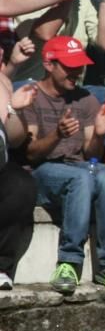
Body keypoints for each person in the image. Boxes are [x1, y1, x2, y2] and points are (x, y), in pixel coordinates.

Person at [23, 36, 105, 293]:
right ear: (49, 64)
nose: (77, 71)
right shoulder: (31, 96)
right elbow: (31, 154)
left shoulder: (85, 99)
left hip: (79, 167)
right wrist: (57, 135)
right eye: (69, 66)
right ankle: (69, 262)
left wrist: (98, 134)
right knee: (82, 178)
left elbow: (90, 154)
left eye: (79, 65)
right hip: (43, 170)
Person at [0, 66, 37, 290]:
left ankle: (1, 264)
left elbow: (15, 139)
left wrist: (13, 109)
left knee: (21, 185)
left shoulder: (3, 82)